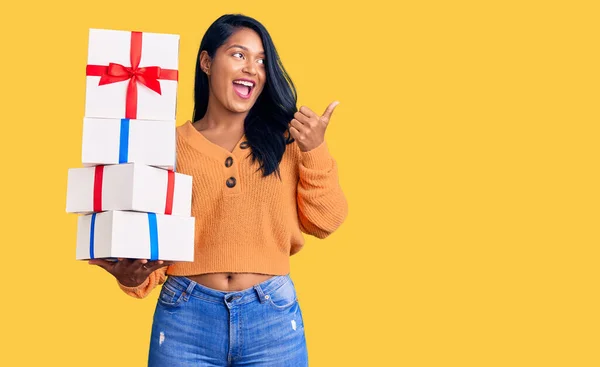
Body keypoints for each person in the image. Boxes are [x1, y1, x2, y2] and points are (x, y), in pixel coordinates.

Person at [89, 13, 348, 366]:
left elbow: (326, 221)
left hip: (271, 317)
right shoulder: (165, 145)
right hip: (185, 318)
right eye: (239, 55)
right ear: (207, 62)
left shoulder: (287, 140)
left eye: (261, 60)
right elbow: (152, 242)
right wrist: (133, 276)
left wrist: (315, 150)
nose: (252, 68)